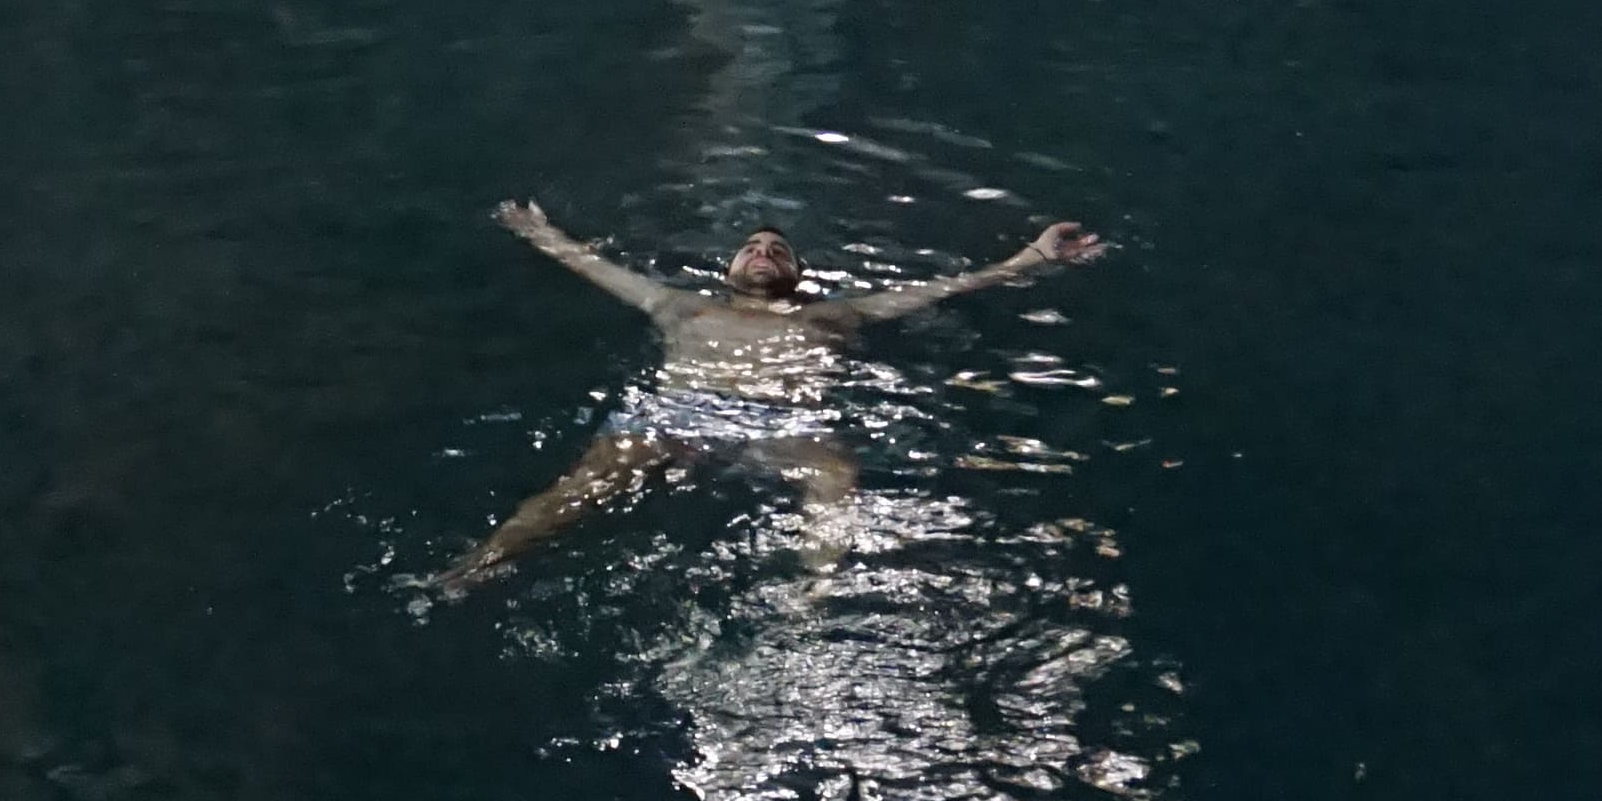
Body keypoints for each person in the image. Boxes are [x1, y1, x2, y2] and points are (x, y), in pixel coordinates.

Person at [437, 201, 1108, 592]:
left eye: (777, 248)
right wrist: (539, 233)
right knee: (580, 489)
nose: (762, 251)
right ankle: (469, 569)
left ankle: (809, 598)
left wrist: (1031, 259)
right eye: (751, 246)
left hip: (778, 419)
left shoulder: (834, 316)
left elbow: (942, 289)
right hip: (676, 412)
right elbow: (596, 268)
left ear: (797, 274)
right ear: (729, 269)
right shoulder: (679, 306)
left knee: (834, 473)